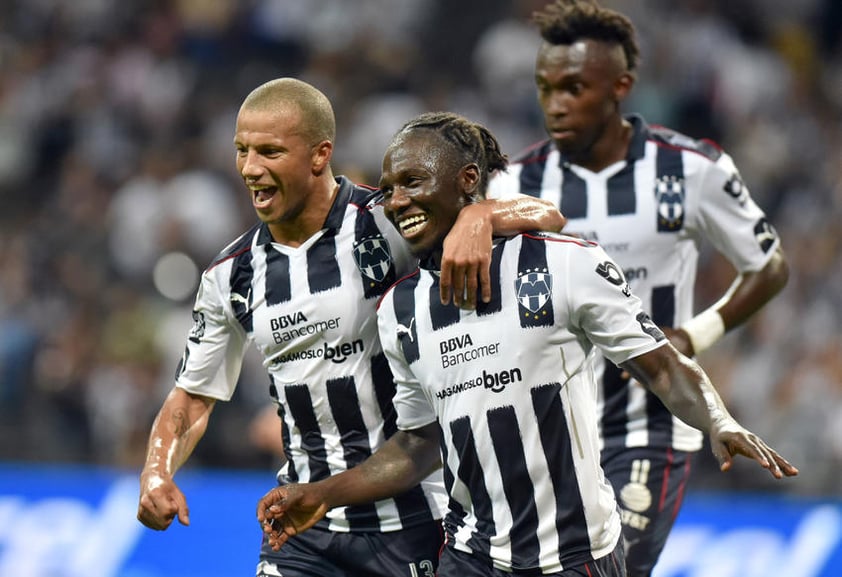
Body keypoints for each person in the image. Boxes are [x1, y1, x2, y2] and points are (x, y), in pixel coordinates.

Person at [256, 111, 798, 577]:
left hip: (578, 554)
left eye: (413, 182)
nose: (397, 201)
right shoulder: (401, 308)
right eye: (390, 187)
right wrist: (323, 495)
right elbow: (417, 444)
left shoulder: (565, 263)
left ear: (468, 179)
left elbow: (660, 366)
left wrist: (717, 420)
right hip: (470, 556)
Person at [135, 78, 565, 577]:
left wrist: (482, 215)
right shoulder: (231, 274)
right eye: (242, 151)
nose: (251, 168)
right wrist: (156, 470)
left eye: (270, 151)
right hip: (300, 525)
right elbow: (192, 397)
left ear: (320, 155)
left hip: (416, 518)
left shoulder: (385, 219)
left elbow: (546, 216)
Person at [485, 2, 791, 575]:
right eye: (545, 88)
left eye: (574, 88)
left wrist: (694, 335)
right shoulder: (514, 186)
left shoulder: (691, 170)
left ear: (620, 87)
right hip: (550, 429)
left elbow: (769, 266)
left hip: (650, 421)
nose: (555, 105)